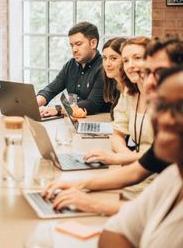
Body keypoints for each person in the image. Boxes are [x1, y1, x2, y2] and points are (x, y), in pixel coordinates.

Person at [41, 36, 183, 216]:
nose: (149, 82)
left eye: (160, 72)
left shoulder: (172, 129)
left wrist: (93, 204)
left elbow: (156, 211)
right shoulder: (165, 123)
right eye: (147, 73)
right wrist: (76, 184)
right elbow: (137, 172)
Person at [99, 67, 183, 248]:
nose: (165, 119)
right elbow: (115, 231)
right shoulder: (173, 177)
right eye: (161, 106)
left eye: (180, 108)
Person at [85, 37, 153, 166]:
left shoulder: (168, 97)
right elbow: (117, 135)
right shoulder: (128, 93)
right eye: (126, 60)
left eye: (137, 58)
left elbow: (164, 155)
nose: (130, 65)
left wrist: (120, 159)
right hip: (138, 166)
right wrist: (126, 156)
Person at [37, 22, 109, 117]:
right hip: (74, 120)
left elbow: (92, 104)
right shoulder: (71, 65)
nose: (74, 49)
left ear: (93, 43)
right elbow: (51, 89)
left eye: (78, 44)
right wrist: (33, 104)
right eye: (72, 45)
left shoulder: (104, 68)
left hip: (97, 121)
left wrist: (57, 109)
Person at [101, 37, 126, 120]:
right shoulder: (117, 86)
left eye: (113, 58)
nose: (107, 64)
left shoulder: (131, 90)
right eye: (105, 58)